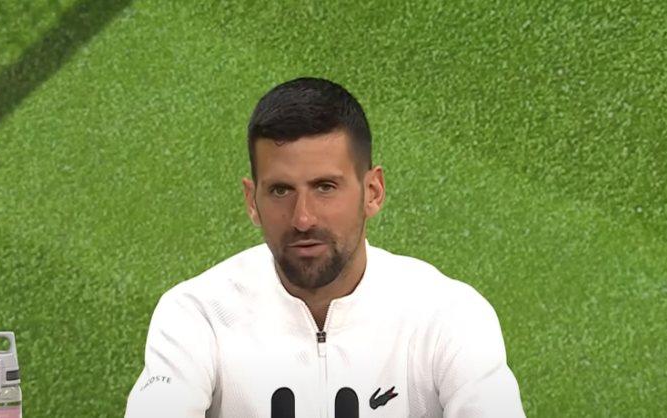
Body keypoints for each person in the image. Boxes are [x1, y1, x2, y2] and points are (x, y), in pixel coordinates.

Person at [123, 77, 526, 418]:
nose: (303, 218)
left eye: (325, 187)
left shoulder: (447, 316)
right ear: (252, 200)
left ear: (373, 191)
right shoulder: (198, 315)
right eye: (281, 190)